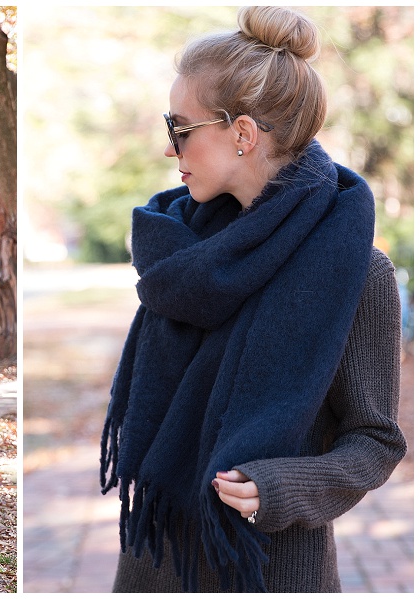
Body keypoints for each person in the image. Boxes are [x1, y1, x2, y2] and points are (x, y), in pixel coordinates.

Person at [99, 6, 406, 592]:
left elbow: (375, 440)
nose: (171, 149)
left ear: (242, 133)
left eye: (179, 129)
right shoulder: (181, 253)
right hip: (153, 561)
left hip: (269, 569)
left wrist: (283, 487)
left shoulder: (357, 273)